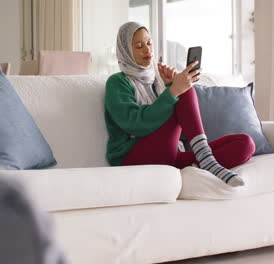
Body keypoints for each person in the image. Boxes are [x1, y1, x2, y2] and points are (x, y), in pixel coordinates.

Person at [104, 21, 255, 187]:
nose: (147, 49)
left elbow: (182, 132)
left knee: (245, 144)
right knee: (184, 89)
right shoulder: (117, 82)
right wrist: (174, 91)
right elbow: (134, 124)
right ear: (125, 51)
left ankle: (202, 162)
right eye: (139, 46)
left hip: (168, 153)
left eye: (149, 43)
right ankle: (206, 161)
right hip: (132, 157)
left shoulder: (157, 79)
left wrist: (169, 86)